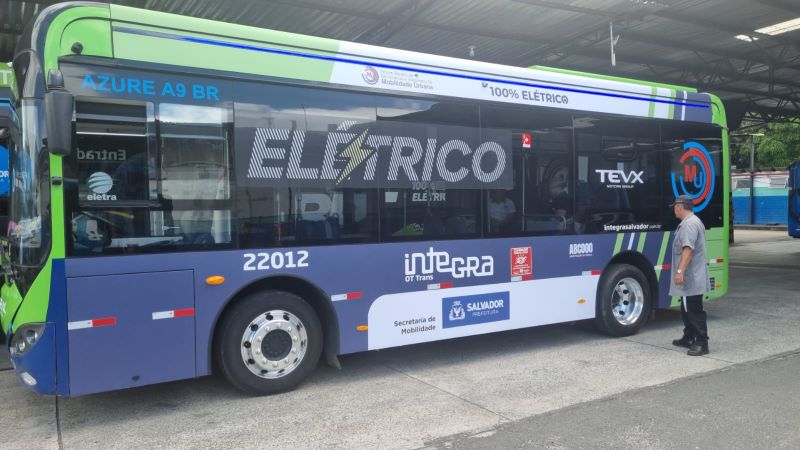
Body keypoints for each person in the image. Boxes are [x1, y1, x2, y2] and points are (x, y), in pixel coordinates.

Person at [669, 195, 711, 356]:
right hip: (691, 275)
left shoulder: (689, 225)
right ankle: (688, 337)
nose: (674, 209)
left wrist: (680, 272)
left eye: (675, 207)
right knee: (686, 307)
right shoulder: (689, 222)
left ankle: (701, 342)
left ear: (680, 207)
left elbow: (688, 249)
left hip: (691, 276)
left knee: (694, 309)